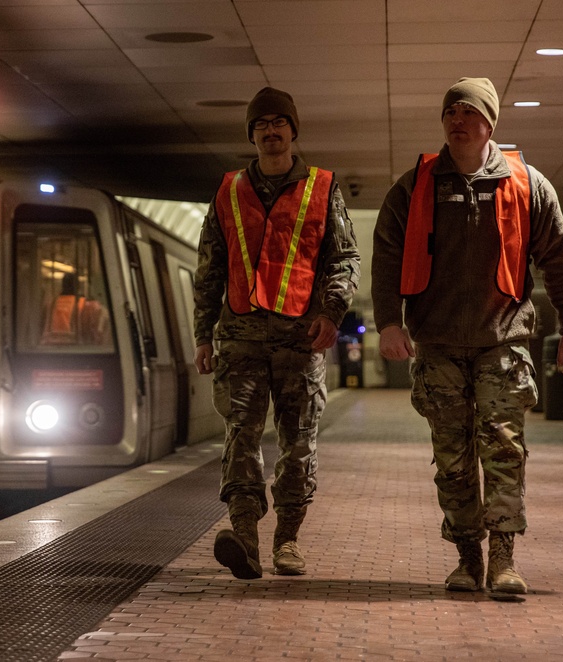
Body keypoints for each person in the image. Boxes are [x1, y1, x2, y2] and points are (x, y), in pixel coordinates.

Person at [371, 77, 563, 595]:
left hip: (503, 341)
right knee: (452, 455)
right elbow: (385, 258)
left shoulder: (528, 184)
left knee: (504, 449)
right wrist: (388, 322)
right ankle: (467, 558)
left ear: (490, 122)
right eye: (450, 111)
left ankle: (504, 560)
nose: (457, 121)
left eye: (468, 112)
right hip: (438, 343)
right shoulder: (414, 186)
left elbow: (559, 259)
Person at [194, 87, 360, 579]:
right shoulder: (227, 190)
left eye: (278, 123)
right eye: (261, 124)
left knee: (298, 441)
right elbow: (210, 268)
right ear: (252, 134)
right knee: (240, 436)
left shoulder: (323, 186)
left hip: (300, 338)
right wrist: (204, 334)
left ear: (292, 130)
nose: (271, 131)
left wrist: (332, 313)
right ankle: (244, 536)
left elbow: (344, 258)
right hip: (240, 338)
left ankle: (288, 539)